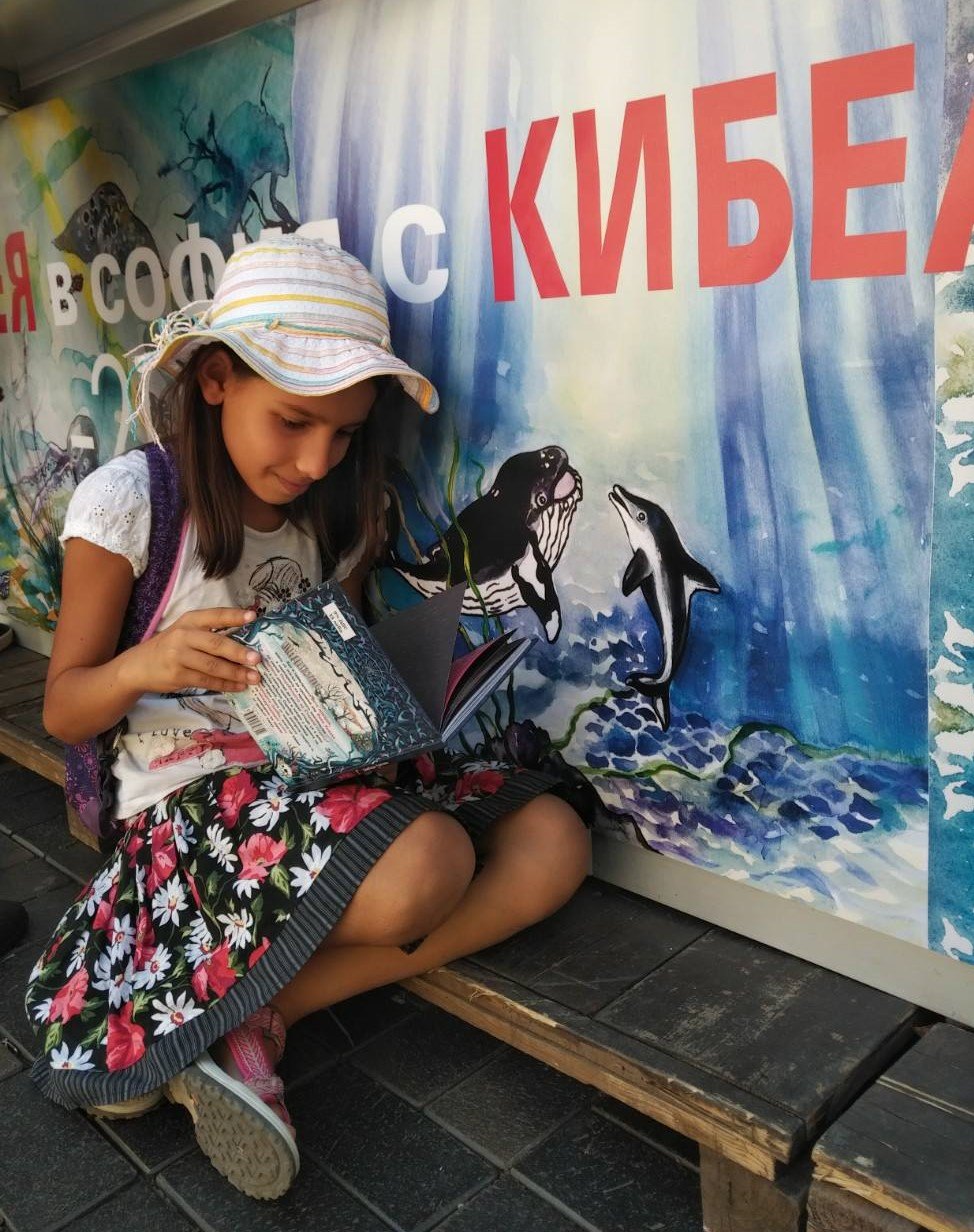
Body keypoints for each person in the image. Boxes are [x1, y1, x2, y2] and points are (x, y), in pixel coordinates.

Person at [25, 237, 590, 1200]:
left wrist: (392, 704)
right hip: (190, 817)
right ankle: (223, 1018)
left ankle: (244, 1013)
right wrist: (145, 663)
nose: (316, 459)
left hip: (318, 781)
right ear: (215, 381)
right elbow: (64, 707)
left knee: (554, 842)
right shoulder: (128, 502)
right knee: (430, 864)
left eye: (343, 435)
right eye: (293, 422)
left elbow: (334, 670)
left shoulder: (333, 509)